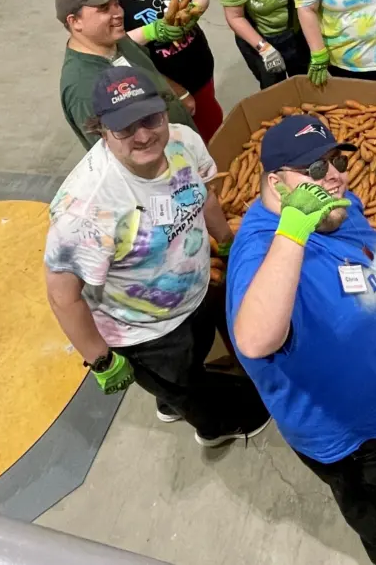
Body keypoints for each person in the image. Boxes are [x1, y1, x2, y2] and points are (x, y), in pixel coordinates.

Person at [226, 115, 376, 565]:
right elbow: (255, 339)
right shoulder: (263, 253)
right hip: (359, 441)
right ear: (277, 184)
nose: (333, 176)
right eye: (314, 169)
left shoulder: (337, 207)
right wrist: (294, 229)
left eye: (336, 161)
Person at [44, 66, 270, 445]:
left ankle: (171, 396)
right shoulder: (87, 208)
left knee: (190, 364)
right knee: (185, 385)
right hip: (144, 330)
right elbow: (62, 293)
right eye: (125, 128)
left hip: (195, 293)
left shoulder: (182, 142)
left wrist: (227, 240)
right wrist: (99, 358)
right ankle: (215, 426)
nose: (145, 135)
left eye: (150, 118)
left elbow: (205, 195)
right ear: (100, 129)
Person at [99, 0, 223, 143]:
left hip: (199, 68)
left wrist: (192, 13)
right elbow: (115, 44)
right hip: (158, 84)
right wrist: (153, 31)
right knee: (177, 138)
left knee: (212, 126)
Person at [58, 0, 197, 149]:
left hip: (185, 147)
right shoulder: (84, 89)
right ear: (75, 21)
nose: (119, 13)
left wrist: (179, 94)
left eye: (116, 3)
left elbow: (147, 68)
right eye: (103, 8)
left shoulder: (116, 39)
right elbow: (120, 154)